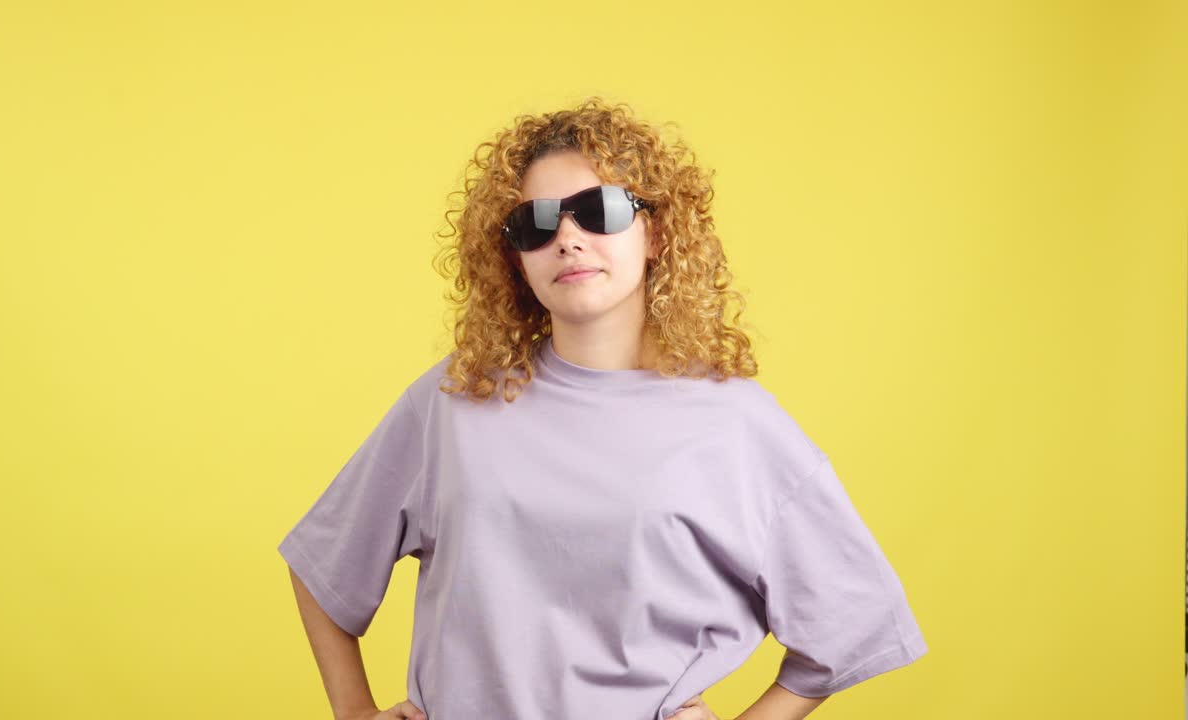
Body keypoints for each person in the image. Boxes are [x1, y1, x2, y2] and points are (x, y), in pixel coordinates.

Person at [278, 97, 928, 720]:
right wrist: (353, 710)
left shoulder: (734, 422)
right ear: (514, 259)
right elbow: (323, 561)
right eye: (535, 224)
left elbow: (854, 617)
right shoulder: (459, 397)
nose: (568, 238)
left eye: (602, 211)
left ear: (655, 233)